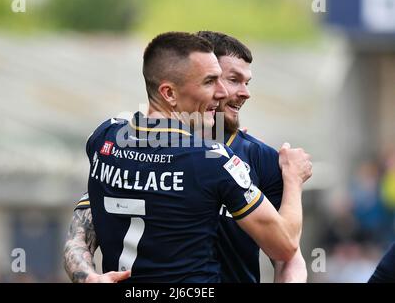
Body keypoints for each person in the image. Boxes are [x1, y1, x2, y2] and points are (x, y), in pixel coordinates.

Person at [63, 32, 312, 282]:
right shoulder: (215, 160)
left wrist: (85, 277)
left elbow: (290, 259)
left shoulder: (109, 137)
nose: (228, 91)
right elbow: (82, 231)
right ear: (171, 90)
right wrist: (294, 179)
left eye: (246, 82)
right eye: (223, 80)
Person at [196, 30, 307, 283]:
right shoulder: (149, 148)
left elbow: (289, 258)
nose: (246, 92)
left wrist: (293, 180)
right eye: (234, 79)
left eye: (247, 82)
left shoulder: (262, 160)